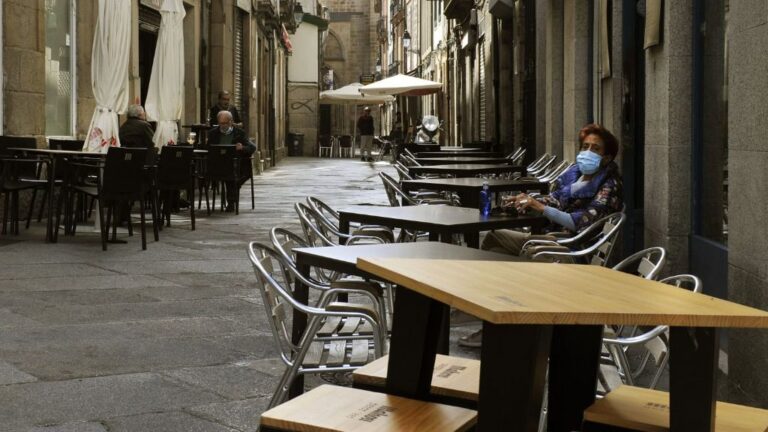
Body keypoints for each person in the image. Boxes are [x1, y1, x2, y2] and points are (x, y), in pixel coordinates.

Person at [458, 123, 624, 348]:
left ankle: (504, 327)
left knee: (528, 256)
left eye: (595, 149)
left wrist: (542, 208)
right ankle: (491, 309)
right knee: (493, 238)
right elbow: (555, 198)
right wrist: (525, 200)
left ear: (606, 158)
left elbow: (581, 223)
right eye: (585, 146)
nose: (587, 152)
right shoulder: (575, 176)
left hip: (571, 249)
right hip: (551, 237)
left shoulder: (609, 185)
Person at [207, 111, 256, 212]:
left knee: (232, 176)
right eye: (221, 123)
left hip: (235, 165)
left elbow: (252, 148)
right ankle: (231, 201)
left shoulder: (239, 133)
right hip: (218, 165)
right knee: (229, 176)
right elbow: (208, 148)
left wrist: (242, 147)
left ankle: (231, 202)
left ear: (231, 122)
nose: (223, 125)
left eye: (225, 123)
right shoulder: (212, 133)